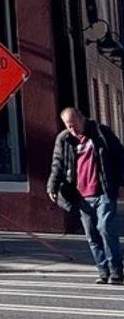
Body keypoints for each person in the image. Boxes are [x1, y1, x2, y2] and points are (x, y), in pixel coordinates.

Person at [46, 104, 124, 284]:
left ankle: (116, 271)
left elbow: (120, 155)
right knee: (91, 235)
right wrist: (52, 186)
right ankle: (103, 271)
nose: (71, 129)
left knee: (105, 229)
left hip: (103, 190)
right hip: (81, 195)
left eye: (73, 124)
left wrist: (119, 179)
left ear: (82, 119)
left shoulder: (100, 133)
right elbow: (57, 164)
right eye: (67, 125)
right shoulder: (64, 140)